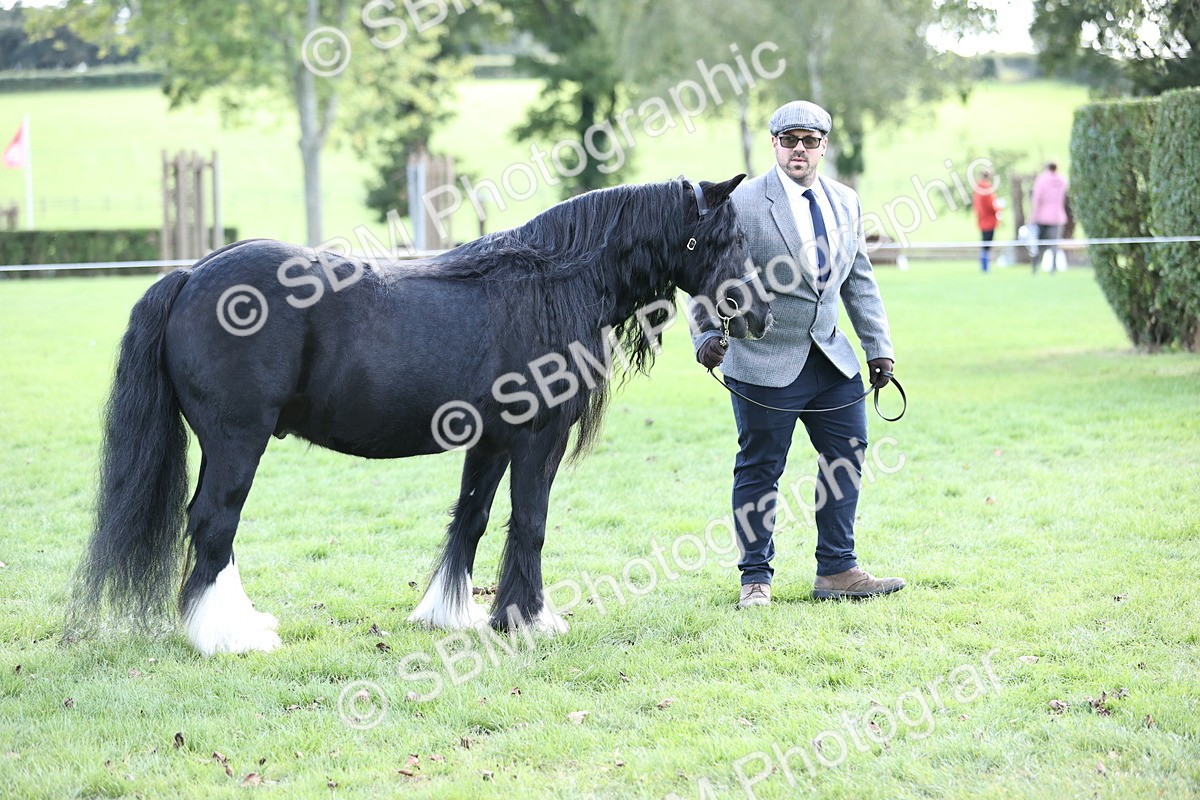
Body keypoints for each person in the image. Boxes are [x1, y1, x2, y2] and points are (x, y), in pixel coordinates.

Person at [691, 100, 904, 609]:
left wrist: (879, 350)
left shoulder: (846, 202)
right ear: (774, 144)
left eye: (809, 141)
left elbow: (859, 279)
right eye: (789, 141)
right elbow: (700, 275)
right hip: (761, 361)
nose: (799, 151)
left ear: (823, 145)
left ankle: (837, 569)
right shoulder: (740, 203)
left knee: (847, 455)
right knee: (761, 468)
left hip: (832, 359)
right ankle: (755, 579)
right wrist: (704, 336)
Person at [1030, 162, 1069, 274]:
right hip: (1057, 217)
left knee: (1039, 245)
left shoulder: (1041, 180)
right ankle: (1053, 269)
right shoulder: (1062, 180)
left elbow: (1036, 199)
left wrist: (1032, 215)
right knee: (1054, 245)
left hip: (1041, 217)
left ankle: (1035, 268)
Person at [972, 168, 1001, 273]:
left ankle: (984, 267)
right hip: (989, 220)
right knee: (987, 244)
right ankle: (985, 268)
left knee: (984, 243)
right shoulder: (987, 189)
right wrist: (999, 209)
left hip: (981, 220)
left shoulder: (977, 189)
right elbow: (991, 205)